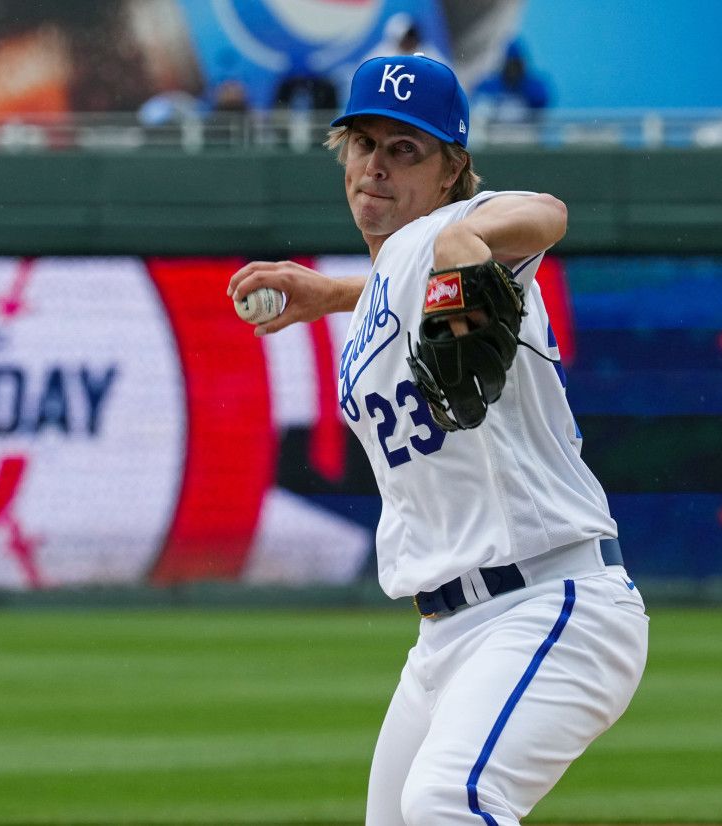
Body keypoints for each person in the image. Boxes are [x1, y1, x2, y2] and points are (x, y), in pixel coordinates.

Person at [228, 54, 647, 826]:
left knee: (451, 803)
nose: (376, 167)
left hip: (551, 601)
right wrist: (332, 294)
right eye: (364, 145)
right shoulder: (383, 293)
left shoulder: (459, 233)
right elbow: (404, 278)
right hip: (444, 638)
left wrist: (468, 238)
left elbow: (546, 212)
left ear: (453, 168)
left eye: (405, 150)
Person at [472, 40, 551, 124]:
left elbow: (541, 102)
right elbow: (478, 103)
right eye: (509, 64)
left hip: (523, 132)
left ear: (522, 64)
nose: (512, 70)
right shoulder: (491, 85)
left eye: (515, 65)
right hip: (495, 133)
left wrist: (521, 88)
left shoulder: (532, 86)